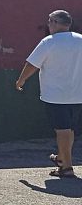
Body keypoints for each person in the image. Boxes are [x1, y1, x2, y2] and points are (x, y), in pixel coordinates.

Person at [15, 10, 82, 178]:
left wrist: (21, 80)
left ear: (56, 23)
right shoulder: (80, 40)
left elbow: (32, 64)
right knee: (70, 130)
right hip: (78, 94)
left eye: (50, 21)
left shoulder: (49, 42)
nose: (49, 25)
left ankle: (66, 166)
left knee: (62, 130)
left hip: (55, 95)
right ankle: (62, 160)